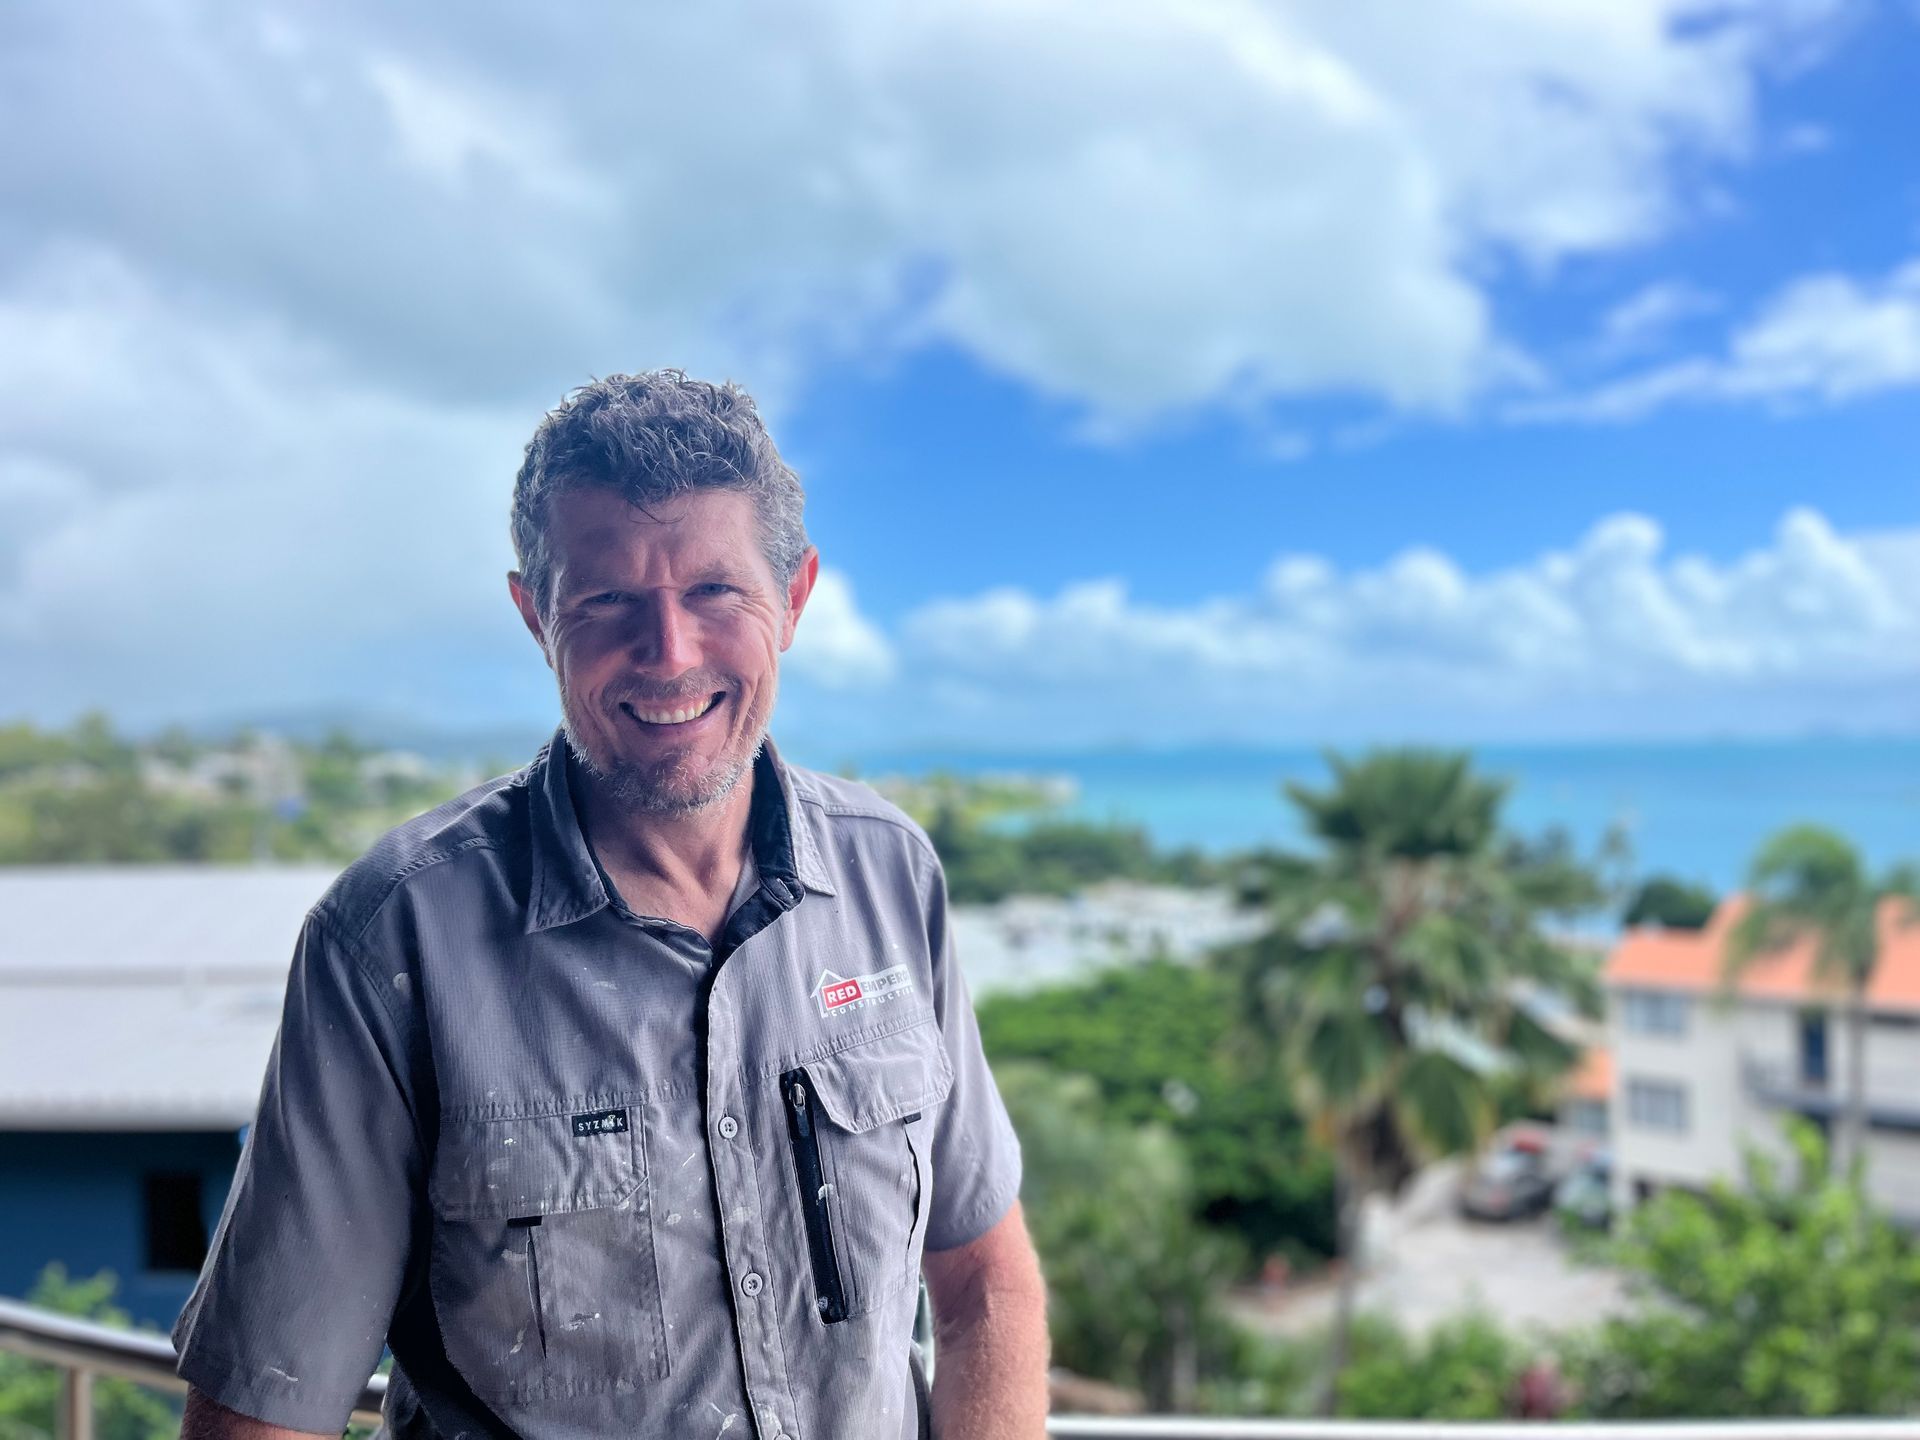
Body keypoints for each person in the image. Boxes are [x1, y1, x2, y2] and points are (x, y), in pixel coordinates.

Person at [171, 371, 1050, 1440]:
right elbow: (263, 1413)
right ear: (536, 616)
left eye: (715, 593)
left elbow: (986, 1281)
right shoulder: (394, 944)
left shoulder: (890, 876)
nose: (669, 652)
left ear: (797, 597)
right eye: (607, 602)